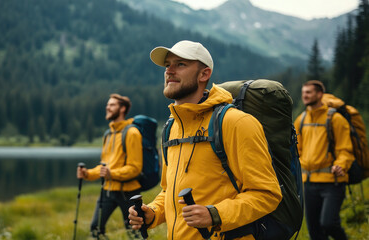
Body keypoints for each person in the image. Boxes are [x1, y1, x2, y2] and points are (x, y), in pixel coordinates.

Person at [128, 40, 282, 239]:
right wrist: (154, 213)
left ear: (204, 74)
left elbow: (267, 194)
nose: (169, 71)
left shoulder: (236, 123)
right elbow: (169, 191)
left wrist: (215, 215)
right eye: (167, 65)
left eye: (180, 64)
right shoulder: (171, 127)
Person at [294, 80, 353, 240]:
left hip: (332, 181)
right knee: (314, 231)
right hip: (309, 182)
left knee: (329, 224)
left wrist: (341, 165)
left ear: (320, 94)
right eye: (303, 92)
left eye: (309, 92)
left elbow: (345, 149)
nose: (304, 95)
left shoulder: (336, 119)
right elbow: (296, 150)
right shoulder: (301, 119)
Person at [77, 93, 143, 239]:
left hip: (129, 193)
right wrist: (87, 173)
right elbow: (104, 167)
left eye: (112, 105)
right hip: (107, 191)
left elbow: (135, 168)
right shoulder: (108, 134)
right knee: (95, 229)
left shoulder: (132, 133)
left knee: (134, 233)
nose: (107, 107)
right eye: (108, 104)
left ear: (122, 109)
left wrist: (111, 174)